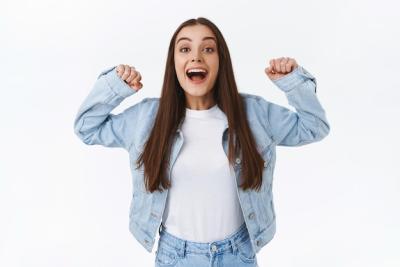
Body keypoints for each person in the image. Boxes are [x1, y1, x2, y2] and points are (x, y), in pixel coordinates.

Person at [73, 17, 330, 267]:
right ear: (174, 63)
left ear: (221, 62)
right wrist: (114, 86)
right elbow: (86, 127)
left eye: (208, 49)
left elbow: (314, 127)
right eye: (185, 49)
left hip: (237, 254)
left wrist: (293, 83)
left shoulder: (254, 113)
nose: (196, 57)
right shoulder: (146, 118)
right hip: (175, 256)